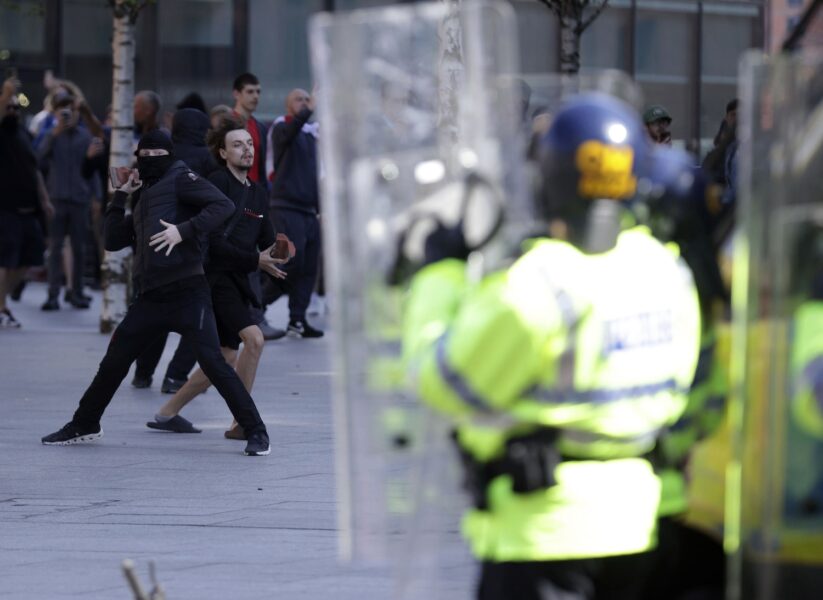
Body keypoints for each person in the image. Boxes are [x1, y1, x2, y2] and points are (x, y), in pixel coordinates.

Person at [402, 93, 701, 599]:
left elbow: (441, 381)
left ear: (547, 180)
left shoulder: (535, 285)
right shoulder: (665, 270)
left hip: (543, 536)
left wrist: (440, 274)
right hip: (644, 527)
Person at [41, 129, 271, 457]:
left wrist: (183, 231)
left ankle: (256, 430)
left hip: (189, 290)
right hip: (151, 296)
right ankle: (85, 423)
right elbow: (112, 241)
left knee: (214, 363)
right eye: (143, 156)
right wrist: (119, 196)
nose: (148, 161)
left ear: (169, 154)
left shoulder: (181, 177)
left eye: (155, 155)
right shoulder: (143, 193)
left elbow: (223, 205)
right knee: (113, 362)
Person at [146, 119, 289, 438]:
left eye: (249, 143)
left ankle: (167, 413)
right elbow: (214, 243)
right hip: (213, 279)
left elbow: (265, 238)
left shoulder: (258, 193)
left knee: (225, 356)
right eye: (237, 145)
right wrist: (256, 260)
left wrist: (279, 253)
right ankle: (242, 423)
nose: (246, 149)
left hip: (236, 281)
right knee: (254, 339)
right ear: (223, 152)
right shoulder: (215, 184)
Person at [131, 107, 219, 392]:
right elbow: (217, 203)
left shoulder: (160, 155)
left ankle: (143, 373)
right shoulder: (205, 159)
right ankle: (175, 376)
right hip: (190, 250)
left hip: (152, 248)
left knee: (154, 319)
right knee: (198, 323)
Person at [262, 88, 323, 338]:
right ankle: (256, 304)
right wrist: (310, 108)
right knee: (291, 262)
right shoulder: (282, 127)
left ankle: (297, 319)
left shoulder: (312, 135)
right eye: (299, 99)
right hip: (286, 206)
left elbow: (318, 176)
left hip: (309, 211)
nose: (305, 103)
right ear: (288, 105)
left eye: (307, 100)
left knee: (309, 267)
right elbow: (293, 129)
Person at [38, 92, 103, 310]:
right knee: (55, 248)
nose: (68, 115)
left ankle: (76, 292)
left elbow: (92, 169)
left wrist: (97, 197)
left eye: (71, 110)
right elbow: (38, 159)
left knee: (79, 248)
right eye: (63, 111)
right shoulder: (51, 134)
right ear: (56, 113)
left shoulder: (85, 137)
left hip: (79, 198)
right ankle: (53, 294)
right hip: (56, 197)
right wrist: (54, 134)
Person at [0, 77, 53, 328]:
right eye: (8, 107)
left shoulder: (22, 132)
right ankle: (2, 307)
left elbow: (35, 169)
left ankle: (1, 302)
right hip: (6, 208)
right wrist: (7, 93)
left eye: (15, 107)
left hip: (30, 209)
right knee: (7, 260)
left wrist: (44, 199)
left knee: (29, 259)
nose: (12, 111)